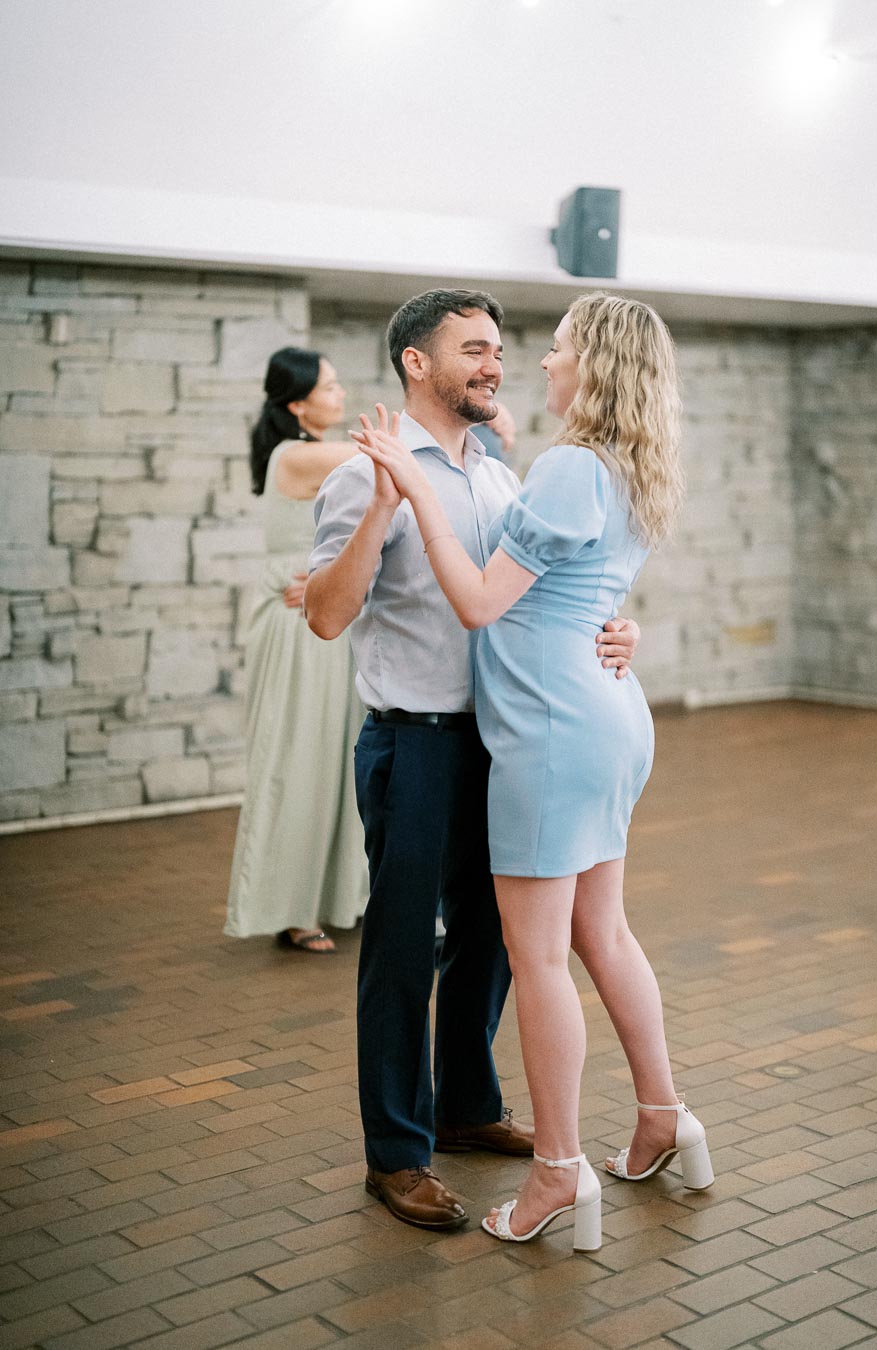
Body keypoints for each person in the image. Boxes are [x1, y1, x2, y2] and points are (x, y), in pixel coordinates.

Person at [352, 292, 714, 1252]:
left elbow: (477, 602)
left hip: (552, 731)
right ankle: (663, 1115)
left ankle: (559, 1173)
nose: (534, 365)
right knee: (603, 931)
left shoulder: (560, 468)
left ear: (591, 364)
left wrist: (414, 489)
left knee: (542, 955)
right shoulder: (628, 466)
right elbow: (582, 590)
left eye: (551, 349)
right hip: (605, 714)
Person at [304, 289, 641, 1231]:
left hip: (506, 746)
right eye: (475, 349)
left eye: (500, 348)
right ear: (418, 362)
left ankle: (466, 1107)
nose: (496, 364)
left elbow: (536, 593)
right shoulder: (361, 472)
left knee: (495, 946)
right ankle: (397, 1154)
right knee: (406, 954)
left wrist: (616, 627)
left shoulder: (498, 473)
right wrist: (379, 508)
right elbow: (328, 614)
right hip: (412, 744)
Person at [224, 348, 368, 954]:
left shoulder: (309, 449)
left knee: (339, 760)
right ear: (297, 403)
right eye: (330, 387)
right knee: (299, 758)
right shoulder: (299, 454)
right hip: (295, 618)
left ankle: (338, 896)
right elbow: (387, 457)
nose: (341, 395)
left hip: (325, 608)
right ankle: (290, 909)